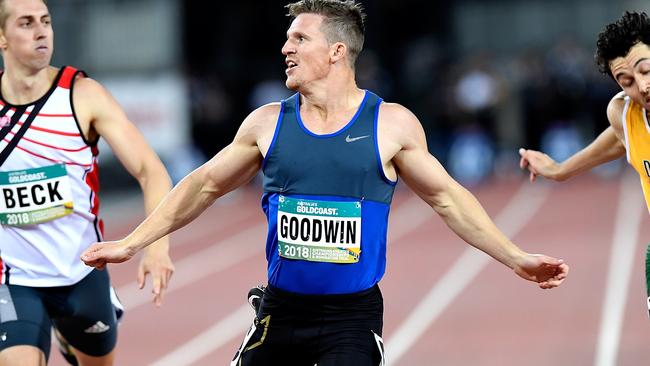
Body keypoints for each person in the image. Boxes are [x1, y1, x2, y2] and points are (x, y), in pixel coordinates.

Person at [81, 1, 569, 365]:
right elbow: (202, 186)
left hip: (350, 319)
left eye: (299, 39)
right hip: (280, 311)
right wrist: (132, 242)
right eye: (287, 39)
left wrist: (515, 258)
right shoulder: (266, 124)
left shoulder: (391, 125)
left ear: (337, 51)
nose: (285, 48)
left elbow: (449, 201)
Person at [0, 0, 175, 365]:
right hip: (13, 279)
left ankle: (68, 337)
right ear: (2, 36)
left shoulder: (82, 95)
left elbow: (150, 170)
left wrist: (156, 247)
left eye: (46, 21)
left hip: (82, 271)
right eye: (26, 23)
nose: (41, 30)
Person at [519, 11, 650, 212]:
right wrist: (559, 170)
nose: (642, 86)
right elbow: (618, 139)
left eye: (646, 70)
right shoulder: (624, 113)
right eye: (627, 82)